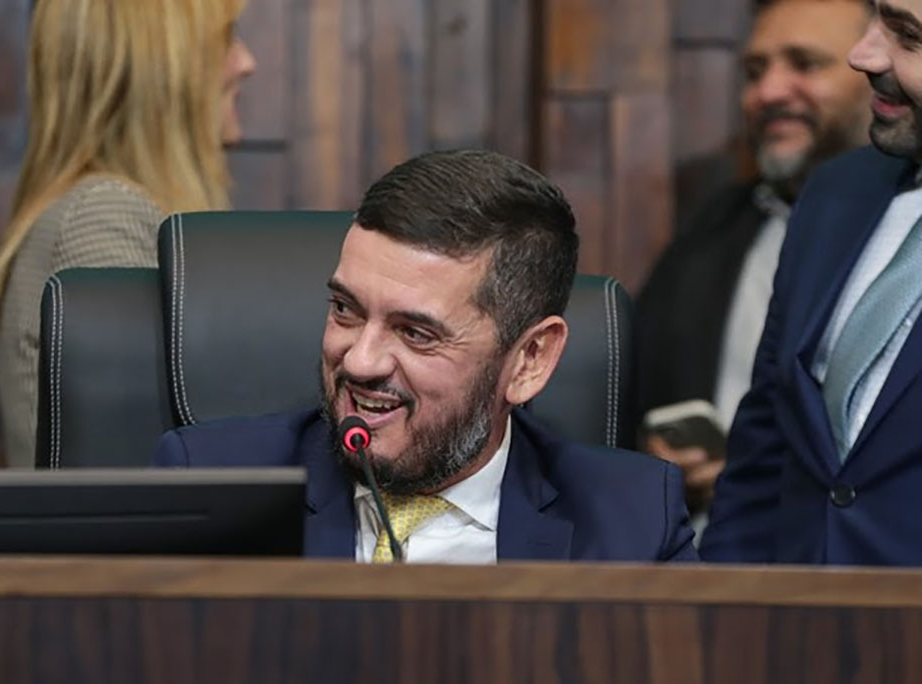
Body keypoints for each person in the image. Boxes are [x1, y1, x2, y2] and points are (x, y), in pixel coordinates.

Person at [155, 150, 697, 563]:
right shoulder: (208, 484)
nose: (360, 362)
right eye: (345, 309)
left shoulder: (635, 523)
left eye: (416, 333)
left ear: (529, 359)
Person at [0, 0, 256, 467]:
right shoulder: (104, 218)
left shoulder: (97, 208)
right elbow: (142, 465)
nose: (247, 62)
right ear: (160, 70)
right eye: (226, 40)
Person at [636, 0, 872, 532]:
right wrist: (656, 462)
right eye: (755, 72)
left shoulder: (904, 242)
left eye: (806, 64)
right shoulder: (714, 229)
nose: (769, 93)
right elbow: (637, 400)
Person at [702, 0, 922, 565]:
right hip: (793, 631)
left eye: (908, 36)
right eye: (878, 18)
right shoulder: (835, 193)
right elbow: (765, 453)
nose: (863, 53)